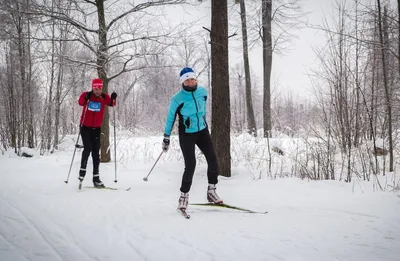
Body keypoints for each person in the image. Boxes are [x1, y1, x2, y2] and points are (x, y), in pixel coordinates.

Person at [162, 67, 223, 210]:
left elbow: (202, 110)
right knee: (191, 165)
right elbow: (170, 118)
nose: (191, 82)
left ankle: (212, 191)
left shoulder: (203, 92)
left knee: (213, 160)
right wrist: (166, 137)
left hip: (202, 130)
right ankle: (183, 197)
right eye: (187, 80)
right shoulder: (177, 99)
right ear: (183, 82)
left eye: (192, 79)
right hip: (187, 134)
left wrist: (201, 122)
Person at [77, 78, 117, 187]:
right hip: (85, 127)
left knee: (96, 152)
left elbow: (112, 104)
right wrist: (85, 97)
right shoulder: (87, 95)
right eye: (96, 88)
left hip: (96, 128)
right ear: (92, 88)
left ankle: (96, 177)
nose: (98, 90)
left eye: (99, 88)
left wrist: (114, 98)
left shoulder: (104, 97)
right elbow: (80, 102)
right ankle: (82, 172)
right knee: (88, 148)